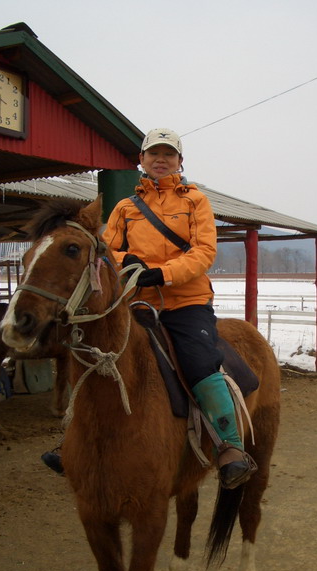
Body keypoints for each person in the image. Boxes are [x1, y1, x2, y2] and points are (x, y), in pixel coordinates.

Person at [42, 128, 255, 489]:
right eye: (153, 154)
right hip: (135, 299)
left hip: (186, 302)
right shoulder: (125, 208)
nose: (160, 159)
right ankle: (74, 440)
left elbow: (204, 252)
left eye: (168, 154)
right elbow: (105, 251)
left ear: (179, 162)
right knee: (98, 356)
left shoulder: (195, 202)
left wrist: (163, 274)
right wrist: (131, 262)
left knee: (199, 362)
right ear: (141, 161)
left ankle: (229, 448)